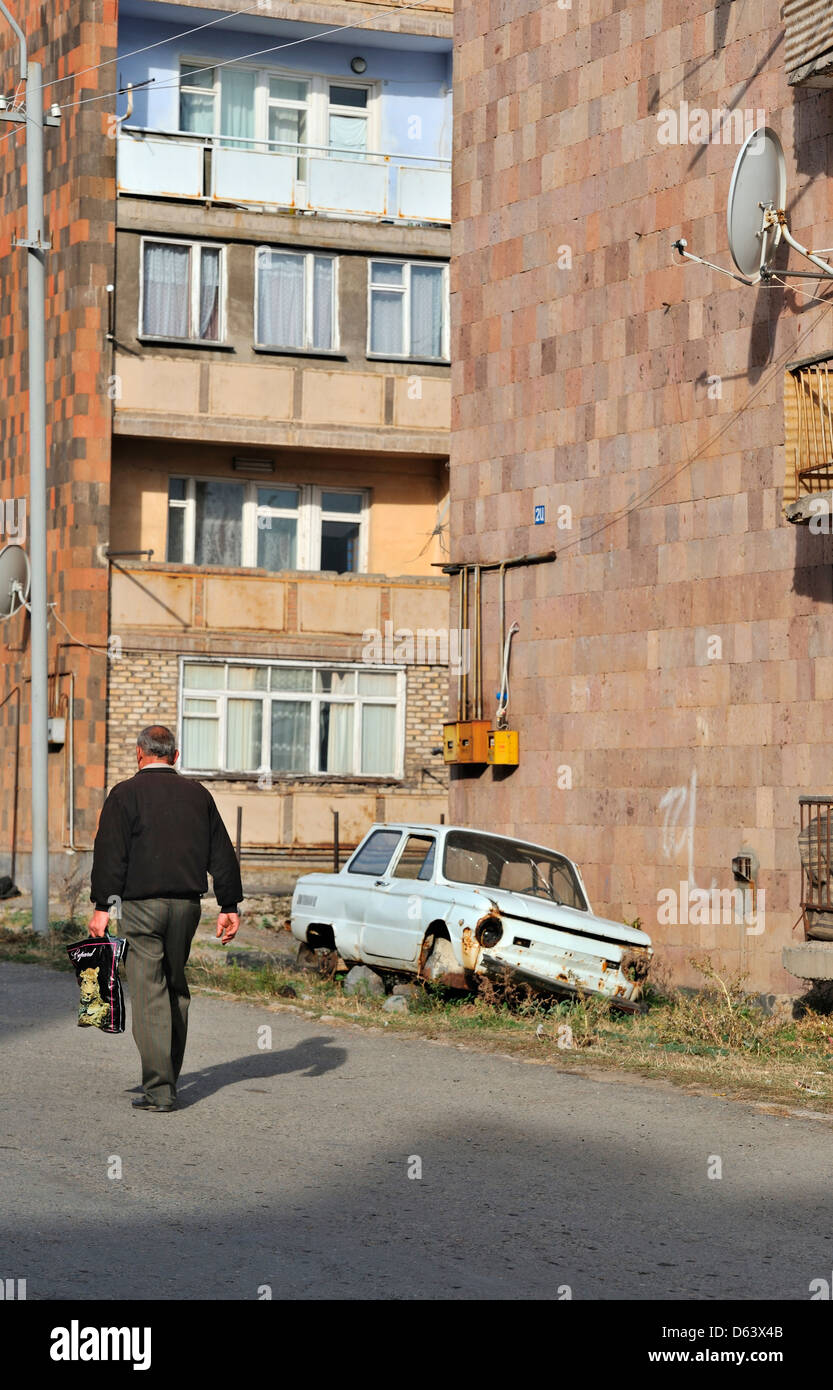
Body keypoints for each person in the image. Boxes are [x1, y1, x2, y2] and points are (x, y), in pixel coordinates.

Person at [88, 724, 242, 1113]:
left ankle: (160, 1090)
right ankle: (168, 1076)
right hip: (187, 908)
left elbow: (110, 854)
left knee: (148, 993)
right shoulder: (198, 795)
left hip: (141, 909)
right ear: (175, 755)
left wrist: (102, 907)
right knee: (175, 987)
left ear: (139, 754)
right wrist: (229, 906)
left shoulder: (124, 794)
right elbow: (221, 852)